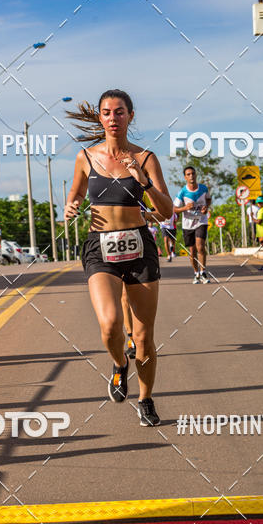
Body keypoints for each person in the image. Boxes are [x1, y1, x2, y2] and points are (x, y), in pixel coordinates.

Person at [64, 89, 173, 426]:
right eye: (107, 112)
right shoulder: (85, 157)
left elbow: (166, 211)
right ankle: (119, 364)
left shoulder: (146, 158)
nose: (114, 118)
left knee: (143, 337)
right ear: (100, 117)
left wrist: (144, 183)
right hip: (100, 248)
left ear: (130, 116)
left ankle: (146, 399)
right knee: (110, 324)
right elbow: (75, 194)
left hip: (139, 247)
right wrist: (71, 206)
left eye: (120, 112)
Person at [174, 166, 211, 284]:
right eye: (188, 174)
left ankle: (203, 272)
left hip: (201, 221)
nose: (191, 176)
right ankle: (196, 273)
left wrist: (206, 207)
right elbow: (174, 209)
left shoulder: (203, 188)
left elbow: (208, 199)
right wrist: (185, 207)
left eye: (193, 173)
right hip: (188, 224)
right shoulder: (182, 192)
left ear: (196, 175)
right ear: (185, 177)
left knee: (200, 246)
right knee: (192, 251)